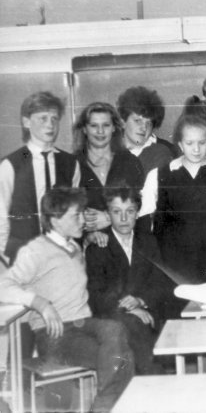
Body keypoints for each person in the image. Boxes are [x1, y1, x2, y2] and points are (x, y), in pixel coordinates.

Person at [0, 187, 134, 412]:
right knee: (123, 359)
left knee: (116, 330)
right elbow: (3, 285)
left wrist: (89, 238)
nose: (83, 220)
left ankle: (100, 408)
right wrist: (40, 303)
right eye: (76, 215)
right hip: (54, 335)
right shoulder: (35, 251)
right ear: (55, 220)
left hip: (82, 326)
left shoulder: (73, 247)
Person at [140, 110, 206, 317]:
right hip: (173, 265)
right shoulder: (159, 175)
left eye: (201, 143)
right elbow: (143, 222)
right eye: (190, 143)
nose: (196, 149)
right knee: (175, 318)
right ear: (180, 144)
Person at [86, 185, 167, 374]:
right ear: (108, 214)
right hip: (112, 313)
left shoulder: (148, 241)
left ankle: (150, 377)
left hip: (146, 309)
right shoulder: (98, 245)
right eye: (116, 212)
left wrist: (140, 301)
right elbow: (97, 293)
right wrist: (129, 308)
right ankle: (151, 377)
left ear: (137, 213)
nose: (123, 218)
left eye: (129, 211)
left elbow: (159, 282)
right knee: (133, 325)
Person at [0, 92, 80, 265]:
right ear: (26, 122)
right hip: (22, 259)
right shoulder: (10, 165)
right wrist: (6, 260)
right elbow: (1, 218)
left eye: (54, 119)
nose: (50, 125)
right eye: (43, 118)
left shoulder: (70, 163)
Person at [73, 102, 145, 243]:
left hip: (126, 244)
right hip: (86, 245)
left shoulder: (130, 162)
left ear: (113, 128)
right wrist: (87, 234)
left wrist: (109, 217)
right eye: (94, 126)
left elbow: (140, 207)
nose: (100, 131)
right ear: (84, 129)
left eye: (106, 125)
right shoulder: (71, 165)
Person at [116, 86, 177, 175]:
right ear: (123, 122)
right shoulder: (108, 148)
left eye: (148, 123)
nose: (144, 128)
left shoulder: (163, 153)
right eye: (138, 121)